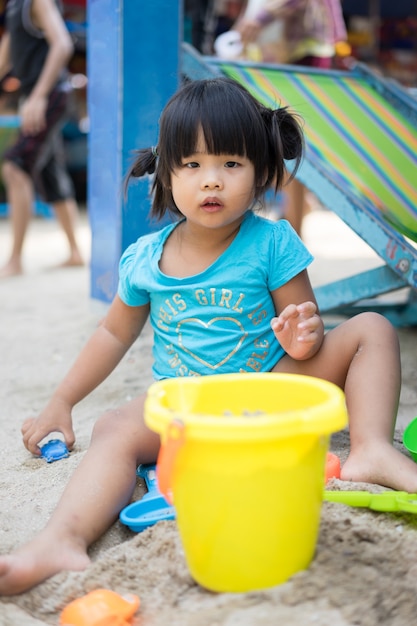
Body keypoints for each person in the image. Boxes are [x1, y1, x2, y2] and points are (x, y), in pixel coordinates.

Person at [0, 76, 416, 596]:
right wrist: (61, 401)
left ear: (262, 170)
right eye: (192, 165)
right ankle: (61, 538)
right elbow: (111, 334)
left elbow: (305, 333)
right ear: (167, 174)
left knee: (371, 329)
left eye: (230, 164)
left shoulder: (272, 243)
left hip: (270, 390)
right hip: (185, 407)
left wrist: (303, 337)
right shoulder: (146, 259)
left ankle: (371, 446)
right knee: (114, 427)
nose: (211, 181)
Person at [234, 0, 349, 236]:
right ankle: (297, 215)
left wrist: (258, 19)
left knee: (291, 142)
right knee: (282, 141)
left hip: (302, 48)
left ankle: (295, 233)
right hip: (279, 50)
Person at [0, 0, 84, 278]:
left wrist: (37, 97)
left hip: (50, 95)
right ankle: (74, 252)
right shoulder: (14, 6)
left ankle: (14, 260)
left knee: (14, 167)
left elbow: (62, 44)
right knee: (49, 171)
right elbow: (8, 52)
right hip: (37, 96)